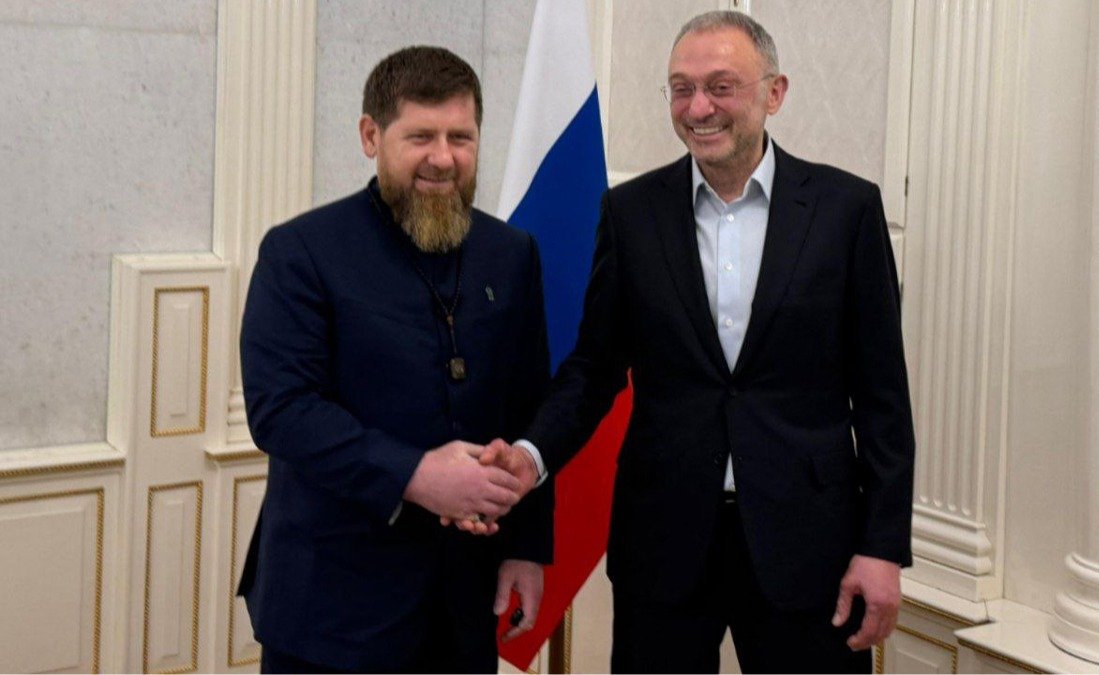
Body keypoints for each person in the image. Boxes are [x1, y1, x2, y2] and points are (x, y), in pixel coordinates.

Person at [467, 10, 915, 673]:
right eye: (682, 88)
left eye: (720, 86)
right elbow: (594, 368)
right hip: (664, 543)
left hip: (808, 546)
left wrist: (882, 546)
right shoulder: (630, 213)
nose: (698, 107)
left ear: (774, 92)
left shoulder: (846, 210)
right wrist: (533, 455)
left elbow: (882, 396)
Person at [236, 46, 553, 673]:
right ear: (370, 136)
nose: (444, 157)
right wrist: (416, 475)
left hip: (463, 606)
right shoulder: (301, 251)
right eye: (421, 137)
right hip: (332, 609)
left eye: (461, 137)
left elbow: (529, 407)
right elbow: (282, 411)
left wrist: (526, 547)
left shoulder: (511, 252)